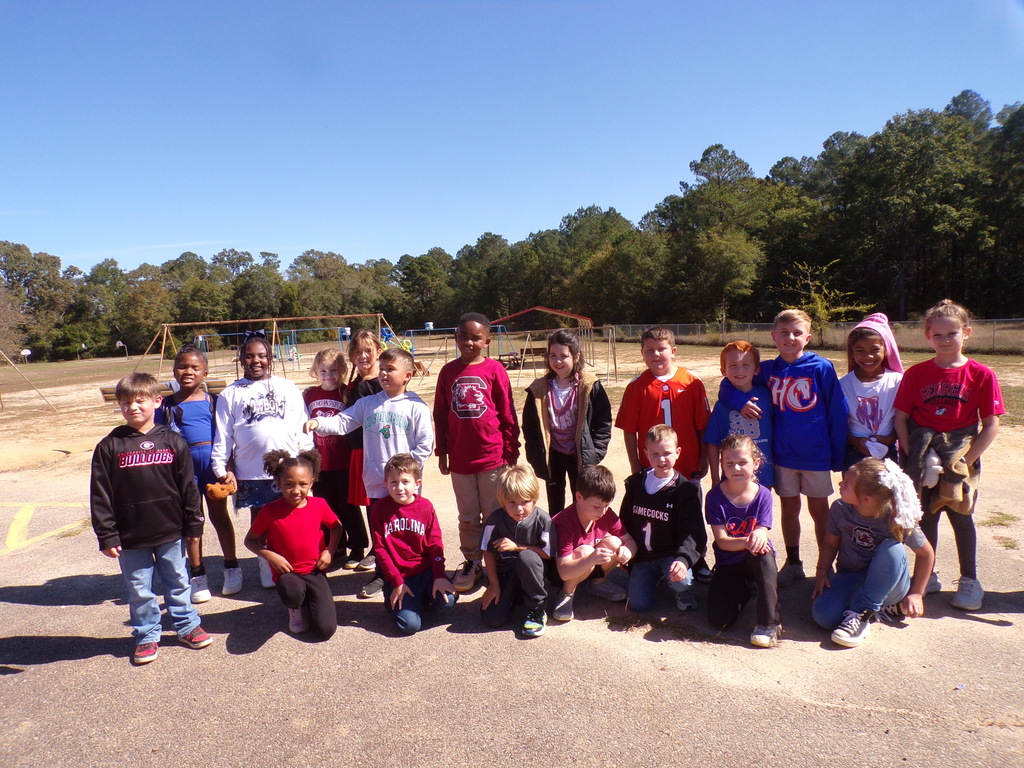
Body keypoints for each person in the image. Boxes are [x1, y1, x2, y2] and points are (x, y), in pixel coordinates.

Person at [717, 309, 848, 588]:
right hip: (783, 455)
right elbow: (728, 384)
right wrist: (737, 402)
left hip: (816, 454)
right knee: (789, 510)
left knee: (820, 511)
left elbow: (838, 412)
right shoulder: (766, 369)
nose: (790, 338)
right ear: (774, 336)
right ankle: (794, 562)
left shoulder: (821, 367)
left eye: (797, 333)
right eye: (784, 333)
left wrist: (838, 455)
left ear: (808, 337)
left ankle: (827, 566)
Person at [90, 372, 214, 665]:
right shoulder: (110, 446)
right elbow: (100, 495)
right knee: (139, 589)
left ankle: (186, 625)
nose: (133, 407)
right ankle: (146, 635)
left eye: (140, 400)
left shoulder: (172, 441)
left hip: (170, 530)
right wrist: (107, 535)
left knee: (178, 580)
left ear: (157, 401)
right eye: (125, 403)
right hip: (131, 537)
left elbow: (187, 487)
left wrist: (193, 523)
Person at [894, 299, 1004, 611]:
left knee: (961, 514)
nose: (945, 340)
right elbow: (901, 417)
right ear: (928, 337)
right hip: (925, 454)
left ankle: (969, 579)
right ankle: (927, 576)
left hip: (960, 452)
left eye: (952, 333)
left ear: (966, 333)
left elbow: (991, 424)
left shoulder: (981, 374)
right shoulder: (916, 374)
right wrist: (911, 453)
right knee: (927, 515)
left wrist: (964, 462)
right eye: (937, 335)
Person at [304, 347, 434, 598]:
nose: (384, 374)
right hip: (376, 483)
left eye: (390, 369)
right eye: (382, 369)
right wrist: (319, 423)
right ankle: (382, 575)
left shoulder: (416, 406)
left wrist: (408, 477)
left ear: (407, 376)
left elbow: (424, 446)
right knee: (381, 532)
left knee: (406, 530)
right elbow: (343, 422)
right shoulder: (368, 404)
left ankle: (416, 571)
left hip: (404, 486)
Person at [211, 330, 313, 590]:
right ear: (241, 359)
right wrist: (221, 468)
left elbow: (301, 425)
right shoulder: (230, 394)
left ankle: (290, 560)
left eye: (262, 356)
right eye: (249, 356)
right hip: (251, 469)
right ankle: (265, 562)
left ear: (271, 358)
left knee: (289, 516)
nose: (256, 361)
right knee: (261, 519)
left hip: (287, 467)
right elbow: (223, 434)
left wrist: (307, 459)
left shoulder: (287, 387)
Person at [614, 325, 711, 580]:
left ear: (673, 351)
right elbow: (629, 430)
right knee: (657, 517)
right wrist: (636, 466)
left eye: (661, 349)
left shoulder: (692, 382)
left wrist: (702, 459)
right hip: (652, 469)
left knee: (692, 518)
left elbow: (702, 426)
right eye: (649, 350)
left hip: (687, 464)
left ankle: (697, 560)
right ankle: (653, 561)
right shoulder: (637, 386)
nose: (656, 355)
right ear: (642, 353)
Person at [433, 312, 521, 594]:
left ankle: (499, 561)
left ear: (487, 341)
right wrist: (443, 451)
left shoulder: (495, 370)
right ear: (456, 337)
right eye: (462, 336)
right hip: (460, 460)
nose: (468, 342)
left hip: (492, 458)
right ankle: (473, 562)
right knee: (468, 517)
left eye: (475, 338)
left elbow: (508, 413)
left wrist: (511, 452)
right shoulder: (448, 372)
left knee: (495, 514)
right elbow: (441, 414)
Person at [811, 458, 935, 648]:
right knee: (823, 616)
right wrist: (822, 572)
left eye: (846, 484)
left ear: (865, 499)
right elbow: (829, 543)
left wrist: (917, 593)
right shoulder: (840, 508)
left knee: (893, 549)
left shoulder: (897, 517)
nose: (840, 484)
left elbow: (926, 554)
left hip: (890, 585)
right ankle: (885, 608)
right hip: (852, 576)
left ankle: (862, 615)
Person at [157, 345, 238, 600]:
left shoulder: (214, 402)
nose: (188, 371)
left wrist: (229, 467)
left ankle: (232, 566)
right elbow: (159, 439)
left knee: (219, 516)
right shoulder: (166, 405)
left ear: (205, 372)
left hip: (212, 468)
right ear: (173, 371)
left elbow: (226, 437)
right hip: (184, 471)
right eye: (182, 366)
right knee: (192, 522)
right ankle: (197, 574)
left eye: (195, 367)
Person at [244, 449, 341, 640]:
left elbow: (337, 527)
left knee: (325, 630)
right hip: (288, 573)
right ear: (278, 483)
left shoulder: (319, 504)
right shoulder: (270, 510)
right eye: (289, 485)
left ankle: (308, 600)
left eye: (303, 484)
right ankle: (295, 607)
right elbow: (250, 540)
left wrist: (330, 551)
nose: (296, 490)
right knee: (292, 592)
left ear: (311, 483)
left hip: (315, 571)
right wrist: (270, 556)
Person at [523, 328, 612, 514]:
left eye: (563, 356)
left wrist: (594, 453)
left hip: (579, 456)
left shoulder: (590, 386)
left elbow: (603, 423)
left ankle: (579, 538)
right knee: (555, 503)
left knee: (581, 501)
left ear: (576, 356)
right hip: (553, 454)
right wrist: (534, 455)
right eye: (552, 355)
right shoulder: (538, 389)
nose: (557, 361)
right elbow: (529, 427)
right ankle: (557, 538)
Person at [704, 435, 781, 648]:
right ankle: (747, 589)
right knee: (719, 620)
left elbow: (762, 530)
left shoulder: (763, 495)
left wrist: (759, 535)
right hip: (729, 562)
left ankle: (769, 623)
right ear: (721, 465)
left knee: (764, 553)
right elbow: (722, 541)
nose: (736, 468)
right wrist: (747, 541)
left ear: (756, 464)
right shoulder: (714, 497)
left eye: (742, 462)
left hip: (755, 557)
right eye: (729, 463)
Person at [619, 425, 705, 613]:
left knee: (682, 580)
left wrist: (683, 559)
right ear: (646, 453)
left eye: (667, 453)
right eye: (655, 454)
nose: (661, 459)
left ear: (678, 452)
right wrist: (626, 549)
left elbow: (694, 532)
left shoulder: (685, 491)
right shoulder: (635, 483)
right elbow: (623, 519)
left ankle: (682, 592)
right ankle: (653, 577)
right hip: (643, 555)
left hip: (670, 554)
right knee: (638, 605)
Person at [370, 453, 457, 635]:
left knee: (448, 601)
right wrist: (396, 581)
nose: (399, 488)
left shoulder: (425, 506)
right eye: (393, 482)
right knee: (409, 626)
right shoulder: (379, 509)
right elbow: (380, 549)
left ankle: (422, 598)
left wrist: (439, 575)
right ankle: (402, 599)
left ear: (417, 483)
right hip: (401, 576)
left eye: (405, 482)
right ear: (386, 483)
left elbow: (435, 542)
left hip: (425, 572)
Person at [303, 347, 367, 570]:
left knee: (348, 505)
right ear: (315, 372)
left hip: (344, 460)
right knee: (326, 507)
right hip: (320, 463)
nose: (329, 375)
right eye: (323, 371)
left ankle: (358, 546)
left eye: (334, 371)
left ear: (341, 371)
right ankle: (336, 546)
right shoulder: (309, 395)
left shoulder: (346, 393)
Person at [550, 465, 637, 621]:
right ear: (579, 497)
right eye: (597, 506)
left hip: (585, 564)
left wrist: (627, 552)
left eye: (606, 506)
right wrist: (591, 559)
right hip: (559, 572)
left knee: (615, 542)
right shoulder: (564, 522)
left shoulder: (605, 514)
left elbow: (629, 541)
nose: (602, 512)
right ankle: (566, 593)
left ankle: (597, 583)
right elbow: (563, 572)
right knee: (585, 551)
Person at [479, 465, 554, 638]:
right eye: (512, 502)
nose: (519, 508)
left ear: (534, 498)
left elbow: (548, 553)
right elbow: (487, 551)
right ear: (502, 500)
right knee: (492, 618)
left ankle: (537, 608)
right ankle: (514, 598)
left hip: (533, 573)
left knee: (526, 557)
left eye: (525, 502)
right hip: (507, 575)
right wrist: (494, 584)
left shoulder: (543, 520)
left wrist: (517, 547)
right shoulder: (495, 519)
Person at [703, 340, 774, 488]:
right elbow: (713, 443)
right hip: (730, 476)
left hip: (765, 476)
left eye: (746, 365)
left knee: (762, 510)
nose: (739, 370)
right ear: (723, 370)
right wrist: (715, 479)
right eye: (733, 365)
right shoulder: (721, 405)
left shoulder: (767, 397)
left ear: (756, 369)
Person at [839, 313, 904, 471]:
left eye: (874, 349)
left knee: (886, 493)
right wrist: (855, 441)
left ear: (885, 350)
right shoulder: (843, 384)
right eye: (860, 351)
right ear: (852, 353)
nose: (868, 356)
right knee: (854, 494)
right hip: (854, 451)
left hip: (888, 451)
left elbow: (904, 418)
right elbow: (839, 422)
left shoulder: (898, 381)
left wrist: (890, 438)